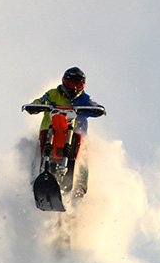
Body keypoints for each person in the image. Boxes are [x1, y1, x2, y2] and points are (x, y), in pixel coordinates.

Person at [23, 66, 106, 198]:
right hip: (51, 129)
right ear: (63, 82)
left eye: (77, 84)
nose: (73, 88)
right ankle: (35, 179)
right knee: (37, 150)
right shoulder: (53, 94)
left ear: (82, 85)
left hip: (75, 133)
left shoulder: (83, 99)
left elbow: (93, 105)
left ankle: (80, 188)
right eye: (70, 83)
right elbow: (42, 100)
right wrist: (35, 106)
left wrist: (97, 109)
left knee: (83, 156)